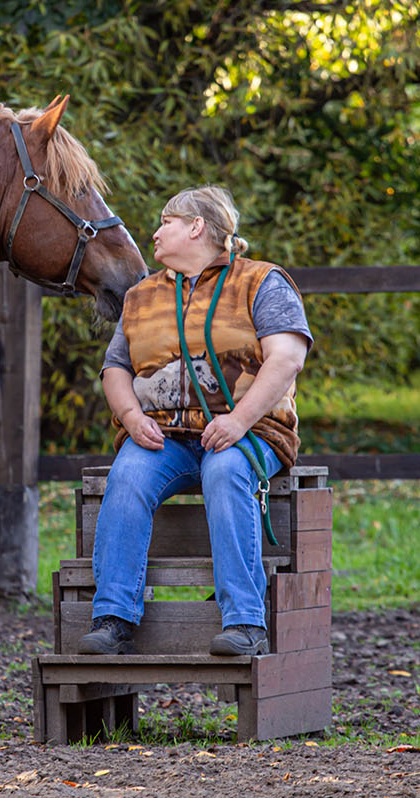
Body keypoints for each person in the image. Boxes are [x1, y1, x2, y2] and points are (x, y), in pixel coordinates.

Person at [79, 185, 312, 657]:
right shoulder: (141, 296)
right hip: (164, 435)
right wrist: (130, 416)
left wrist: (239, 422)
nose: (155, 232)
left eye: (166, 221)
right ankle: (113, 618)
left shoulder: (261, 282)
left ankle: (246, 623)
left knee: (225, 472)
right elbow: (115, 369)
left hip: (251, 431)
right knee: (125, 476)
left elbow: (286, 359)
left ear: (196, 227)